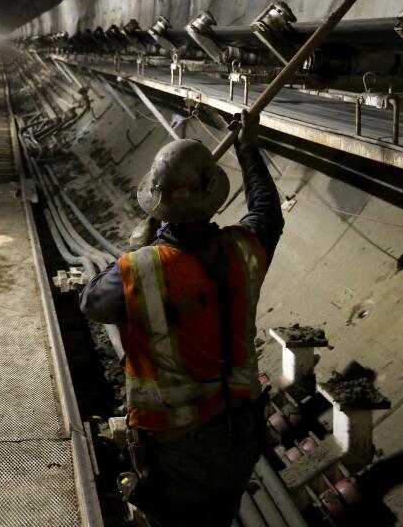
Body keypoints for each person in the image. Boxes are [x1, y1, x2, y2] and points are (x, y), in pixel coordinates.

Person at [80, 111, 282, 527]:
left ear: (159, 202)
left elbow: (91, 302)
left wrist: (138, 242)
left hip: (178, 446)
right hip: (241, 432)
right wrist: (248, 148)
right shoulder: (245, 250)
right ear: (212, 198)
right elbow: (267, 210)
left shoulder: (141, 269)